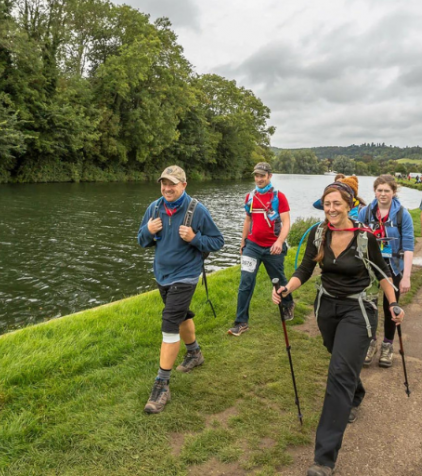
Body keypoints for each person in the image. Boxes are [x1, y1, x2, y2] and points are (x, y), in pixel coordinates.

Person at [272, 181, 403, 476]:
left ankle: (323, 460)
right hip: (327, 308)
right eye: (327, 204)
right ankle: (356, 394)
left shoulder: (364, 237)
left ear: (350, 205)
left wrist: (394, 304)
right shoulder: (319, 234)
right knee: (340, 359)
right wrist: (286, 288)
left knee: (339, 374)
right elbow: (305, 269)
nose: (331, 209)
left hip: (358, 310)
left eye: (337, 204)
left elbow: (385, 276)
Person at [137, 165, 225, 414]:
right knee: (181, 314)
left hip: (186, 275)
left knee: (169, 323)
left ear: (184, 185)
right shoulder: (154, 208)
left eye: (172, 184)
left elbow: (218, 241)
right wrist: (148, 231)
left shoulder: (197, 210)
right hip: (162, 275)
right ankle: (195, 353)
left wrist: (195, 238)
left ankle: (161, 385)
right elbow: (141, 240)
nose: (167, 188)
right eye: (164, 183)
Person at [229, 162, 293, 336]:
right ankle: (241, 322)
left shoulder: (279, 197)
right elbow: (248, 221)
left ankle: (287, 304)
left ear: (269, 176)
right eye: (256, 176)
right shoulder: (250, 197)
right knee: (245, 282)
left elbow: (286, 222)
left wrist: (280, 242)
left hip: (274, 248)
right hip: (253, 247)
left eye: (262, 176)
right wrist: (243, 242)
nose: (259, 179)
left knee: (278, 280)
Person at [357, 175, 414, 368]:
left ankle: (387, 346)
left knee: (391, 306)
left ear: (393, 192)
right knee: (369, 306)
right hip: (370, 268)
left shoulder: (402, 215)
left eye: (386, 191)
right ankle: (370, 342)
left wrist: (406, 277)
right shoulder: (365, 213)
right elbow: (356, 239)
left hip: (394, 267)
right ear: (374, 191)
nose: (382, 194)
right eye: (379, 190)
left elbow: (408, 247)